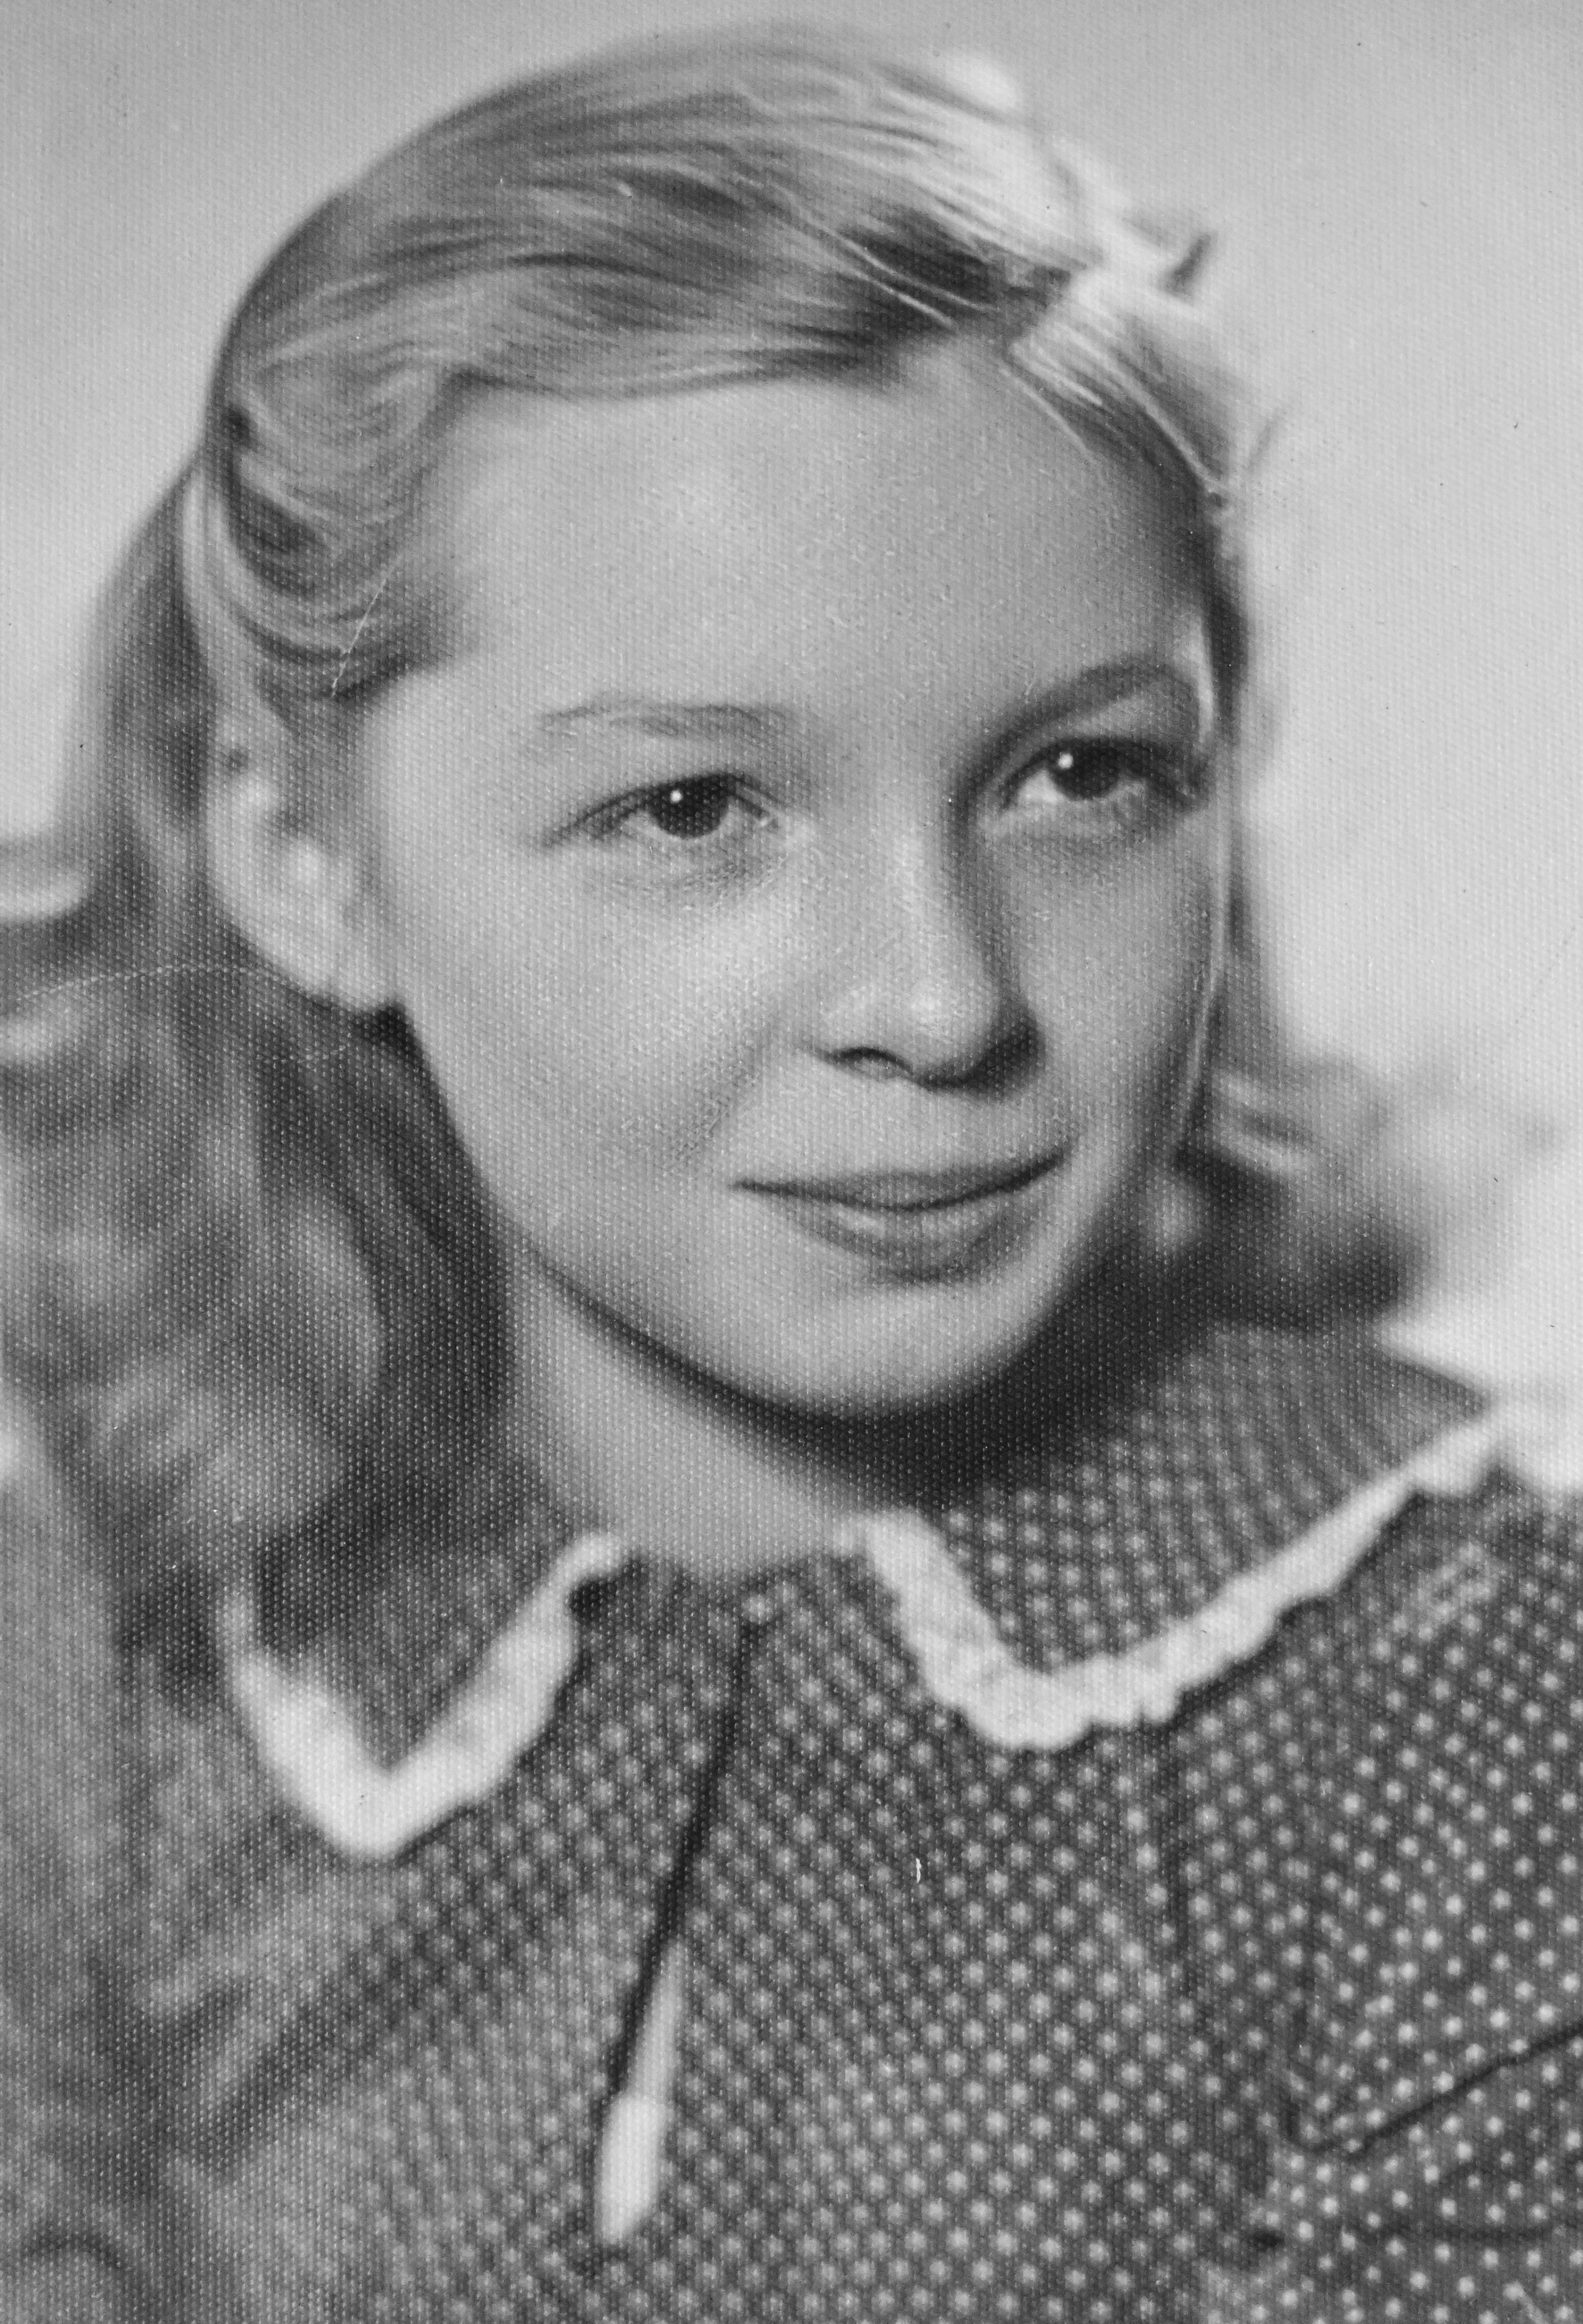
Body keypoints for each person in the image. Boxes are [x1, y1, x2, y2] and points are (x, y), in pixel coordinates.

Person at [1, 28, 1577, 2322]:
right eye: (692, 810)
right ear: (305, 856)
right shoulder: (95, 1666)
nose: (939, 1001)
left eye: (1082, 775)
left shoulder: (1477, 1683)